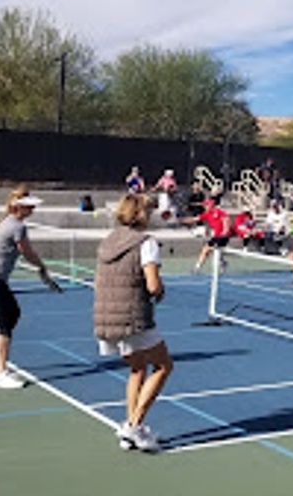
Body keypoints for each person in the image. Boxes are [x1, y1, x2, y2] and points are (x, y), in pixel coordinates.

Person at [93, 192, 174, 453]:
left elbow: (98, 282)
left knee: (137, 368)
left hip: (105, 317)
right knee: (163, 366)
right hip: (133, 317)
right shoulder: (146, 243)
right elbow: (153, 285)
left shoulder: (108, 241)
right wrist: (160, 291)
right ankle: (134, 426)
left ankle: (131, 424)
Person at [0, 188, 60, 389]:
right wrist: (42, 267)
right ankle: (0, 373)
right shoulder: (16, 226)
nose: (33, 209)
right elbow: (27, 252)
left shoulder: (7, 223)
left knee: (12, 314)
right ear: (19, 206)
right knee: (5, 323)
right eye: (29, 205)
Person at [192, 198, 231, 274]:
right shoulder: (206, 214)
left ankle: (221, 263)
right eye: (204, 205)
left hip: (223, 236)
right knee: (206, 250)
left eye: (206, 205)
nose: (204, 207)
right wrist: (180, 220)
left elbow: (227, 220)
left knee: (212, 250)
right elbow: (195, 219)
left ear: (211, 205)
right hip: (216, 236)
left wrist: (225, 230)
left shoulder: (219, 212)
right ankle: (197, 268)